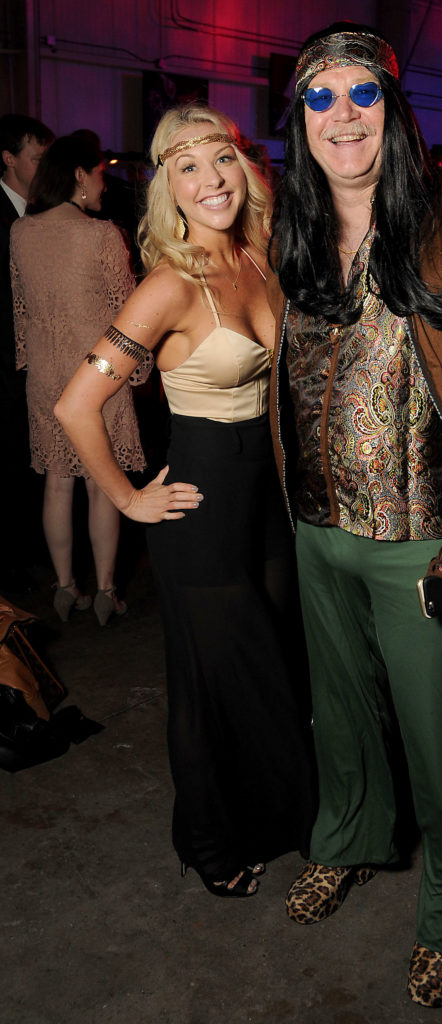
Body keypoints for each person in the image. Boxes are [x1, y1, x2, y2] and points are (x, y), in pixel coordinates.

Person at [268, 23, 442, 1008]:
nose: (342, 114)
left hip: (425, 541)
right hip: (317, 528)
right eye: (320, 96)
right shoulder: (295, 223)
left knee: (441, 745)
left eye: (362, 93)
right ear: (298, 117)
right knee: (340, 715)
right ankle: (347, 839)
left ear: (394, 108)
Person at [56, 105, 313, 897]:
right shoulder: (167, 286)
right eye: (187, 166)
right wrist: (128, 498)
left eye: (221, 157)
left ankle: (263, 820)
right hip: (198, 503)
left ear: (245, 167)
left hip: (267, 499)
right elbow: (74, 405)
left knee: (274, 671)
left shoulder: (260, 256)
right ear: (167, 186)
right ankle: (209, 843)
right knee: (213, 685)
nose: (211, 179)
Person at [10, 133, 145, 624]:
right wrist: (139, 372)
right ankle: (107, 591)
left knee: (58, 482)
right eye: (101, 174)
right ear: (79, 175)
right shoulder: (101, 235)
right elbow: (126, 313)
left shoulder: (21, 232)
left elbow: (22, 310)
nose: (104, 185)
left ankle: (65, 587)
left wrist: (31, 359)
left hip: (46, 374)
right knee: (102, 483)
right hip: (98, 374)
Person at [0, 114, 54, 590]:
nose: (44, 168)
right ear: (9, 159)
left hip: (38, 362)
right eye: (37, 159)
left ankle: (34, 554)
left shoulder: (44, 213)